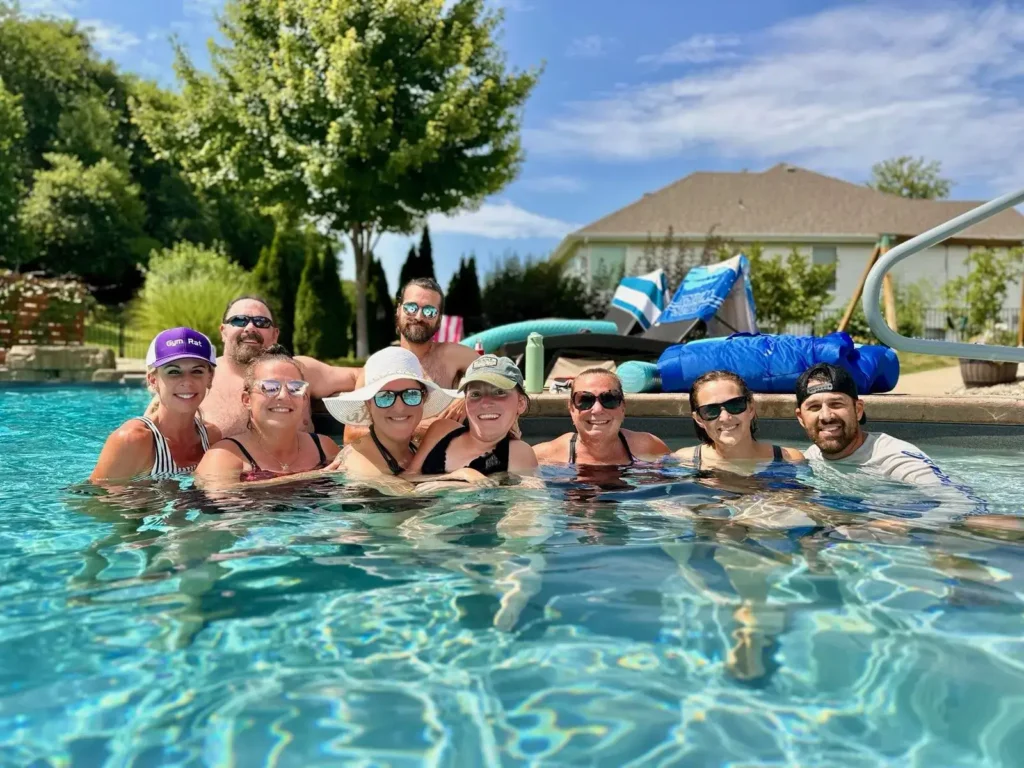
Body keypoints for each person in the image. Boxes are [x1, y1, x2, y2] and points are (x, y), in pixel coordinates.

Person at [344, 278, 479, 444]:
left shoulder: (452, 355)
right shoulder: (376, 367)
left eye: (429, 311)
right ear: (399, 310)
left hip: (441, 463)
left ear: (439, 319)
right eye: (411, 308)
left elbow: (499, 371)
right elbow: (350, 434)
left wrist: (470, 395)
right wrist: (420, 428)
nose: (419, 316)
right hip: (392, 463)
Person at [203, 295, 361, 435]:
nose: (250, 327)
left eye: (261, 322)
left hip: (313, 468)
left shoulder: (300, 370)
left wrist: (360, 425)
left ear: (274, 335)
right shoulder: (200, 379)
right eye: (239, 320)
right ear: (223, 331)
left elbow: (361, 375)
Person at [194, 345, 340, 488]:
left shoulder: (325, 448)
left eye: (295, 388)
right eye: (270, 387)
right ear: (247, 400)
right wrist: (312, 475)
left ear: (303, 399)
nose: (283, 396)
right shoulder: (224, 457)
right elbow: (215, 505)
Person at [91, 327, 222, 483]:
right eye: (174, 371)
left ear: (210, 378)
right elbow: (96, 503)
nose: (187, 381)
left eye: (197, 371)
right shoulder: (131, 440)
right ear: (153, 380)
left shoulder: (211, 436)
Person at [795, 363, 953, 485]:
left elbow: (956, 504)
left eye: (836, 404)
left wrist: (897, 524)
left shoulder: (894, 459)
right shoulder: (811, 458)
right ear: (801, 418)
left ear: (858, 410)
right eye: (814, 407)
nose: (826, 416)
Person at [322, 347, 459, 478]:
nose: (399, 407)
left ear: (423, 399)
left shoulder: (417, 449)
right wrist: (466, 476)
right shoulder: (359, 459)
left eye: (411, 394)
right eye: (385, 396)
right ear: (369, 404)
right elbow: (403, 492)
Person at [408, 355, 538, 478]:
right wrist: (460, 476)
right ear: (465, 403)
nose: (486, 403)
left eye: (499, 392)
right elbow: (407, 479)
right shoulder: (442, 430)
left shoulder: (518, 453)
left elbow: (528, 499)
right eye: (476, 394)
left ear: (520, 404)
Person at [532, 368, 670, 465]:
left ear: (623, 407)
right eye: (585, 400)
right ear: (571, 408)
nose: (597, 409)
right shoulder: (544, 457)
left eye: (609, 399)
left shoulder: (648, 447)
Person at [675, 370, 803, 472]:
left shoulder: (790, 460)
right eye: (711, 410)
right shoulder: (683, 462)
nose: (725, 417)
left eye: (735, 405)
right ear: (699, 419)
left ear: (751, 408)